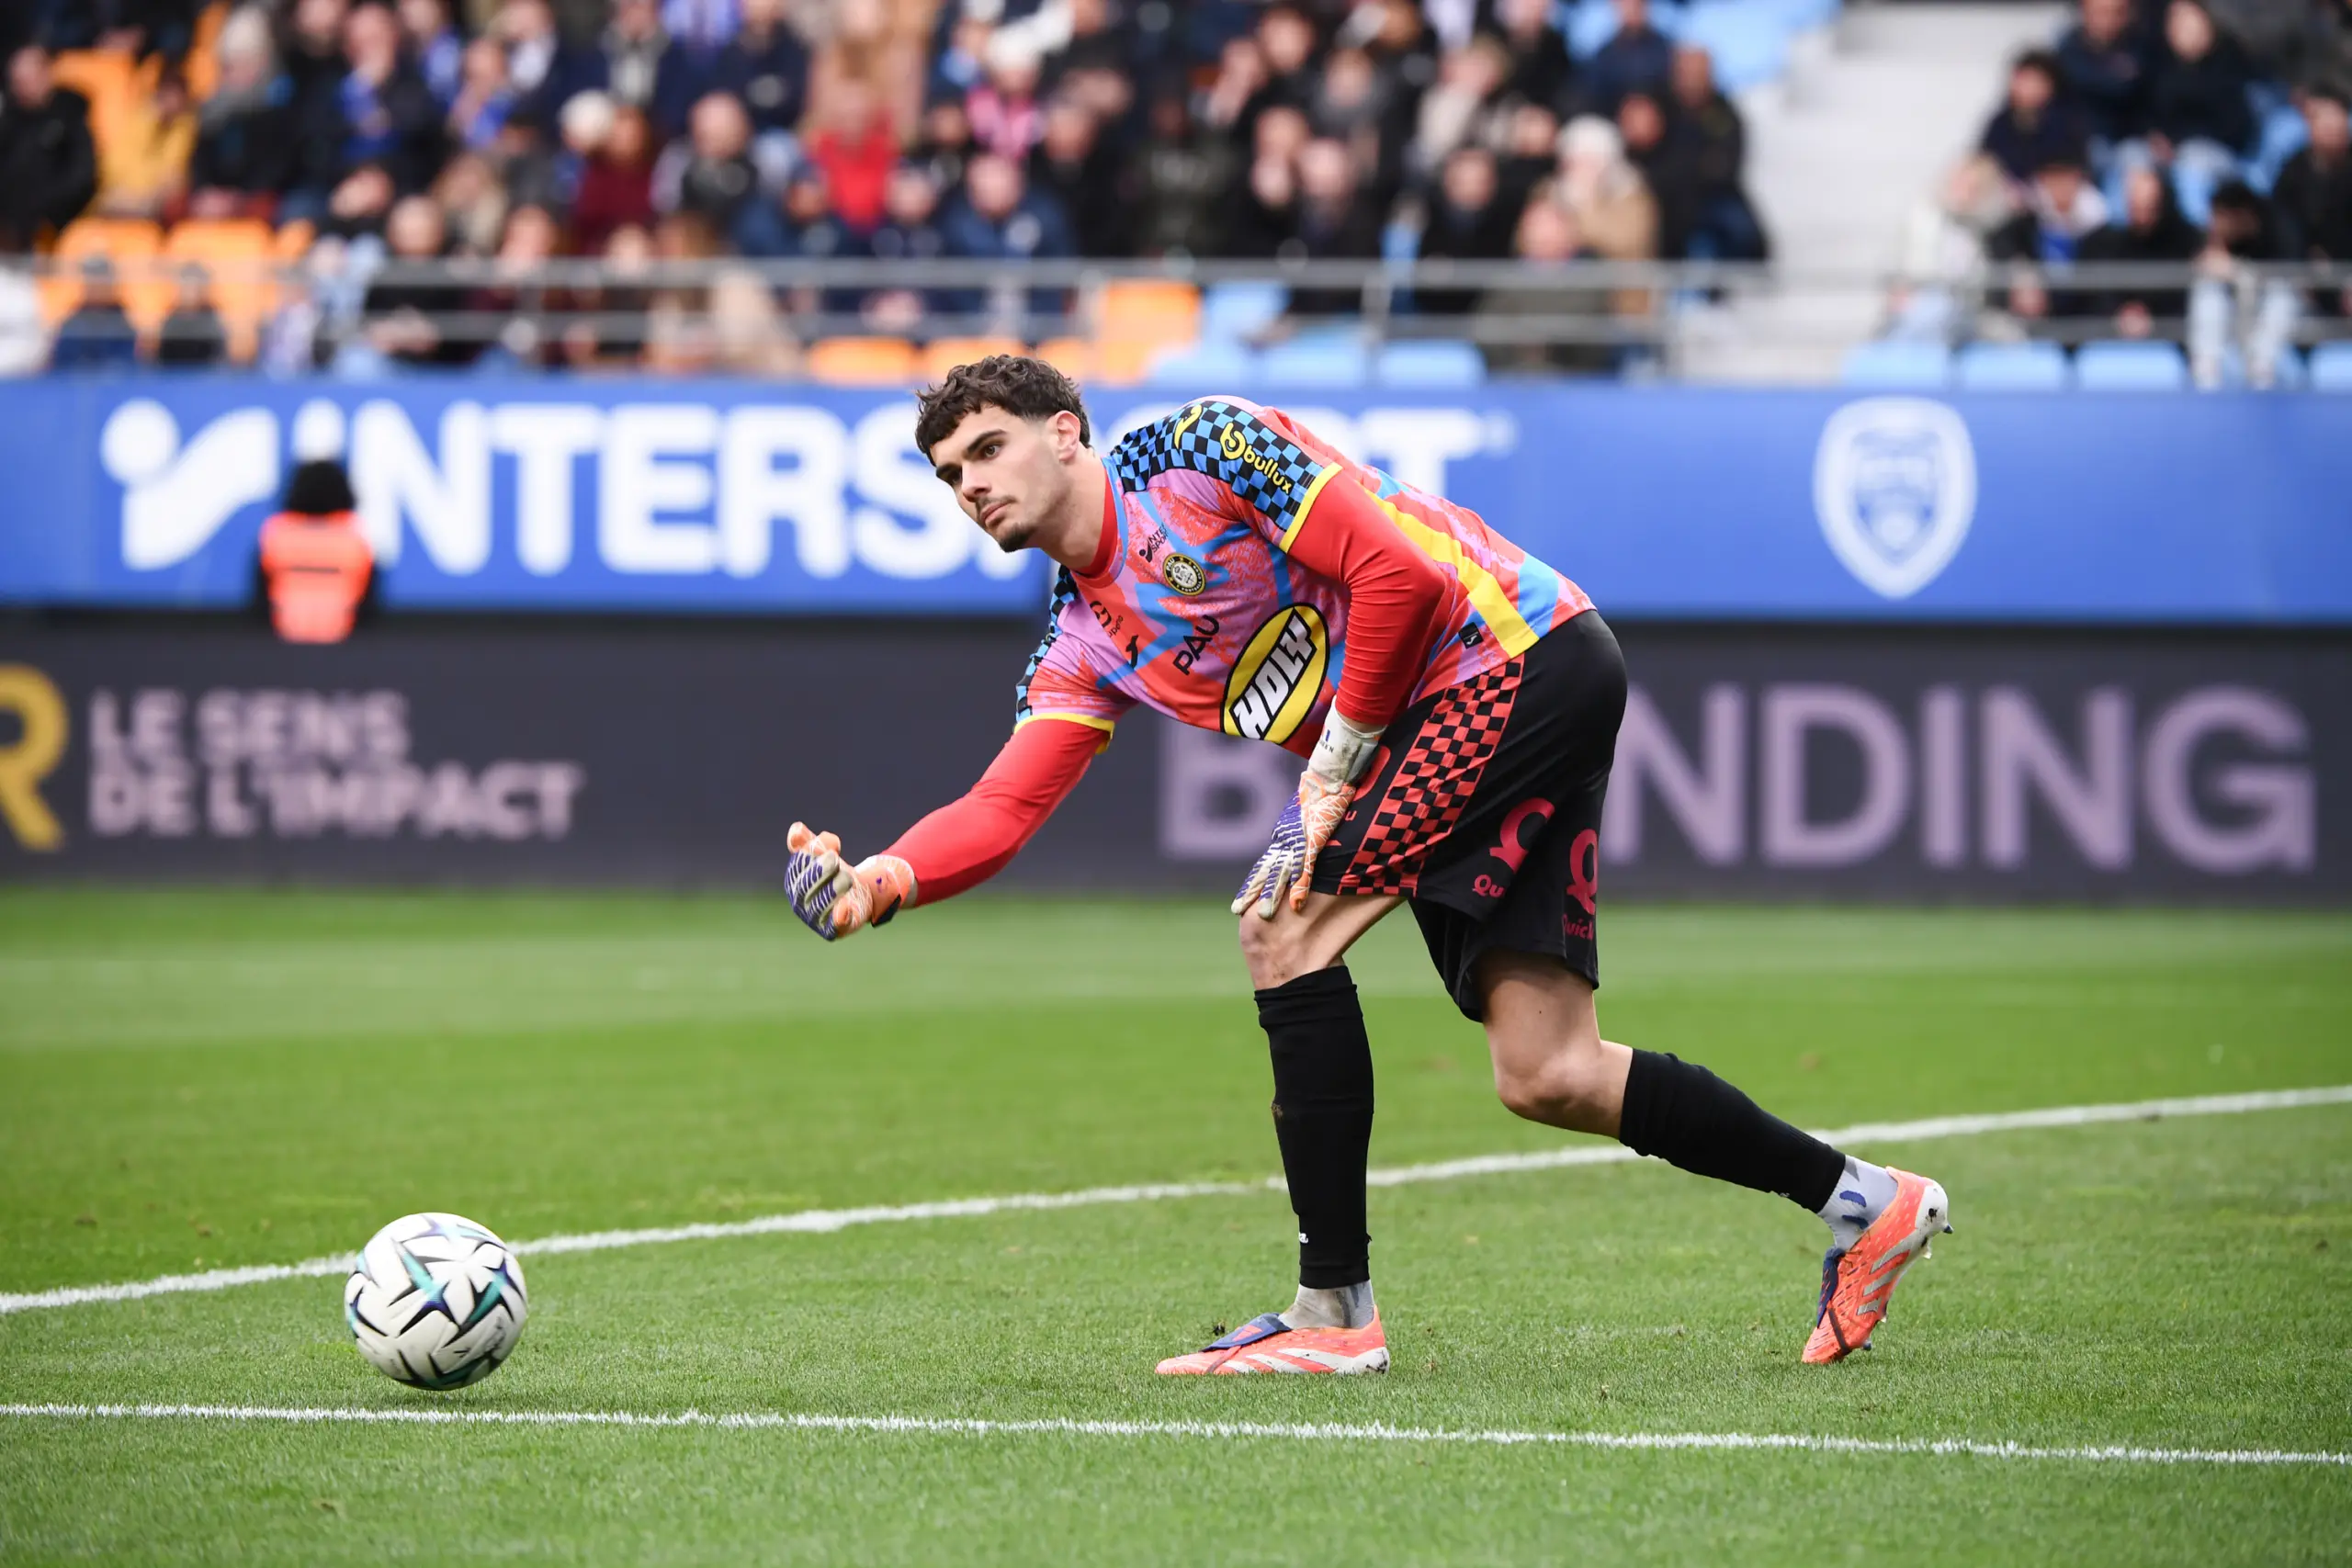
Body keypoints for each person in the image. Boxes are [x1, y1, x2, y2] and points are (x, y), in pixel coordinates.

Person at [782, 355, 1956, 1374]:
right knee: (1547, 1072)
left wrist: (1327, 777)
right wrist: (878, 881)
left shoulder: (1197, 448)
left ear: (1064, 434)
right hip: (1476, 709)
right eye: (949, 475)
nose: (972, 484)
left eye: (987, 449)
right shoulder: (1081, 640)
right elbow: (1003, 804)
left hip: (1512, 659)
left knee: (1277, 925)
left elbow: (1405, 579)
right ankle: (1870, 1204)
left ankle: (1333, 1311)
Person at [0, 44, 99, 247]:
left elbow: (81, 177)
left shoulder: (70, 116)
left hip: (54, 224)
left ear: (46, 74)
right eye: (16, 82)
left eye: (25, 81)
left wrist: (43, 210)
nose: (20, 89)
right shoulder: (9, 122)